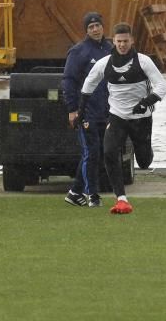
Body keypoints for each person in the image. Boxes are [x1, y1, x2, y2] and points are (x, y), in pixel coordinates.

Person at [79, 23, 166, 215]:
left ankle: (143, 147)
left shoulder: (143, 61)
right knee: (109, 151)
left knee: (144, 162)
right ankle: (121, 199)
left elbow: (162, 87)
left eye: (126, 41)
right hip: (117, 116)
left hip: (141, 117)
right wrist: (80, 112)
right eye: (119, 41)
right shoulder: (105, 63)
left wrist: (146, 102)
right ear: (114, 41)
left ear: (132, 41)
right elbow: (87, 87)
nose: (122, 45)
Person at [62, 12, 113, 208]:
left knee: (99, 153)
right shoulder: (79, 51)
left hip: (107, 111)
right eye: (90, 27)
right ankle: (92, 195)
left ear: (102, 26)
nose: (95, 29)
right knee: (90, 152)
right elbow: (68, 81)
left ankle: (75, 192)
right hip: (87, 111)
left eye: (97, 25)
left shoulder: (111, 49)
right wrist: (73, 109)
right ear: (86, 30)